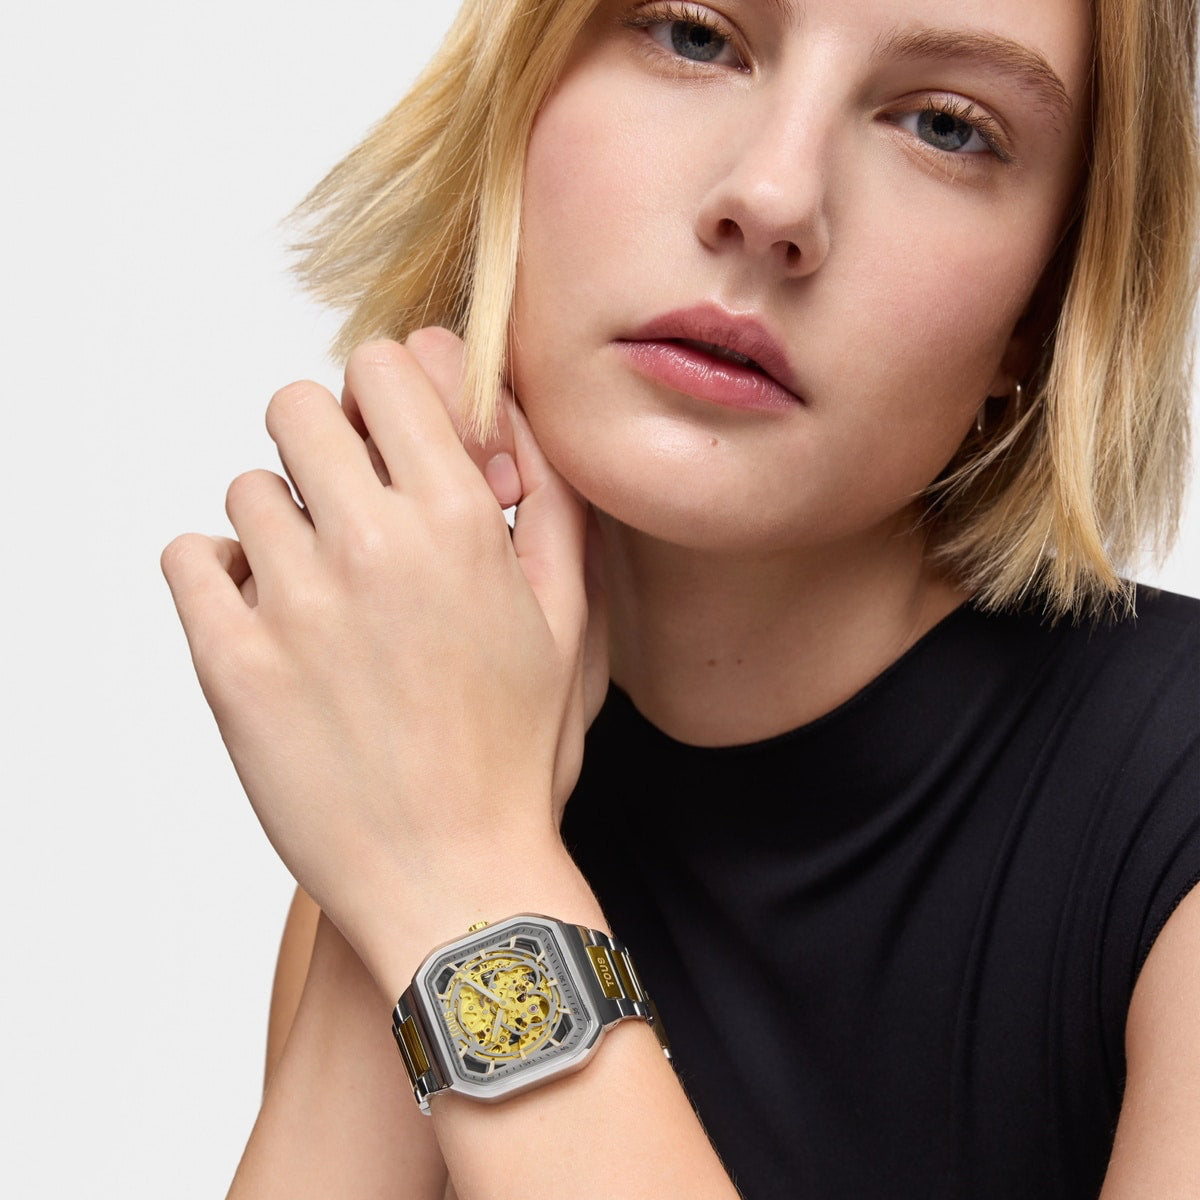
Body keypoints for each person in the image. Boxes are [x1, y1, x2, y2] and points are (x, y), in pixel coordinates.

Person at [161, 0, 1200, 1196]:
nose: (773, 199)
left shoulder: (446, 831)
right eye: (696, 35)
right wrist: (417, 833)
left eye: (947, 126)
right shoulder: (432, 778)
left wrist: (470, 878)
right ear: (514, 107)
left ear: (1043, 301)